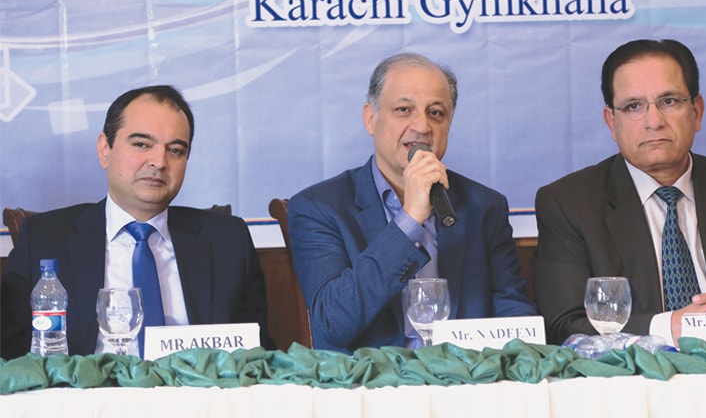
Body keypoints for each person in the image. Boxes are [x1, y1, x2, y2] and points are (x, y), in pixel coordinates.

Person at [532, 38, 706, 346]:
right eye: (633, 106)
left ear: (696, 111)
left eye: (669, 101)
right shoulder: (569, 203)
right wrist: (671, 326)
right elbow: (565, 326)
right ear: (611, 122)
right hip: (633, 380)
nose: (654, 121)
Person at [288, 52, 537, 354]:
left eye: (436, 113)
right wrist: (410, 220)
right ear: (370, 118)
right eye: (404, 109)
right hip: (367, 389)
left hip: (465, 384)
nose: (421, 126)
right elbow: (332, 324)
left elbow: (514, 316)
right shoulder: (319, 208)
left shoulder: (485, 206)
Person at [1, 85, 274, 359]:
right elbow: (12, 356)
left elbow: (257, 354)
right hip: (88, 397)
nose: (159, 162)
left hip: (198, 397)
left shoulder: (227, 241)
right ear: (105, 149)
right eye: (141, 144)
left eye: (176, 150)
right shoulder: (46, 239)